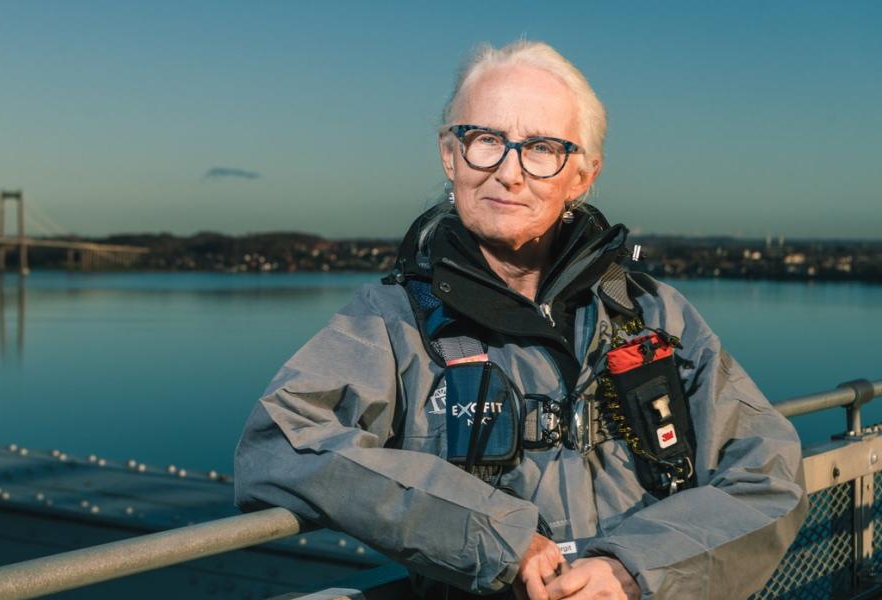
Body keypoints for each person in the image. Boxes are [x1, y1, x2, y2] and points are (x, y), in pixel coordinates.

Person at [233, 40, 807, 600]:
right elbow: (281, 442)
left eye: (540, 148)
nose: (509, 173)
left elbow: (767, 475)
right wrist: (491, 534)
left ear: (581, 176)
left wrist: (635, 568)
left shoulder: (653, 314)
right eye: (486, 140)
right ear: (450, 155)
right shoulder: (391, 323)